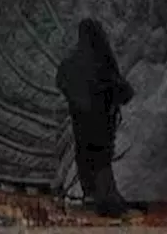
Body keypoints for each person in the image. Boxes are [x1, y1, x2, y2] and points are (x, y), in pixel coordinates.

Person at [55, 18, 134, 218]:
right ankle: (108, 204)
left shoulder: (71, 64)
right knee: (101, 164)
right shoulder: (102, 61)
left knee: (87, 161)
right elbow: (124, 92)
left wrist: (78, 101)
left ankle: (95, 199)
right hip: (101, 126)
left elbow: (62, 80)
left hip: (81, 125)